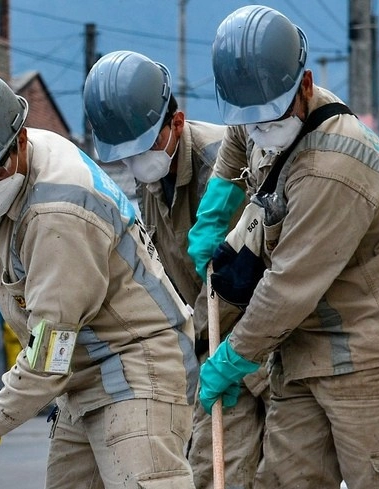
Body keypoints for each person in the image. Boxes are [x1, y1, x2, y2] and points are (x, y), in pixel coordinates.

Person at [0, 66, 198, 488]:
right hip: (85, 374)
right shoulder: (21, 150)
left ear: (18, 142)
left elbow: (47, 359)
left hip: (135, 368)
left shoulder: (57, 218)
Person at [190, 5, 379, 489]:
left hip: (374, 351)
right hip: (304, 344)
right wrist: (217, 207)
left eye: (267, 117)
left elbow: (288, 285)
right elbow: (240, 141)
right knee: (285, 479)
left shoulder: (334, 165)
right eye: (247, 117)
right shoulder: (259, 107)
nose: (258, 127)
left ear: (305, 84)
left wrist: (232, 357)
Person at [83, 49, 268, 489]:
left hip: (247, 345)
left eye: (141, 149)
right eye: (123, 156)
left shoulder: (222, 164)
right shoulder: (150, 177)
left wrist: (206, 351)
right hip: (205, 348)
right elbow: (163, 273)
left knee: (230, 471)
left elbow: (242, 281)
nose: (133, 165)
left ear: (177, 123)